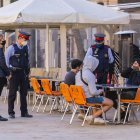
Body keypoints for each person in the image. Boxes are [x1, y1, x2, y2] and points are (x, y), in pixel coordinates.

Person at [76, 55, 113, 124]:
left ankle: (97, 118)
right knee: (110, 102)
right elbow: (93, 92)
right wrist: (100, 91)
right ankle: (92, 117)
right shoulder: (90, 75)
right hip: (88, 99)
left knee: (96, 99)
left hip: (80, 98)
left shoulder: (78, 73)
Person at [5, 31, 33, 118]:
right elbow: (7, 62)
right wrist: (8, 73)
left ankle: (24, 112)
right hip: (14, 73)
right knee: (12, 93)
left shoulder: (26, 48)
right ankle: (11, 112)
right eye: (25, 39)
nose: (26, 41)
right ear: (20, 39)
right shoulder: (11, 48)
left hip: (23, 73)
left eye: (26, 40)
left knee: (24, 93)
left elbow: (27, 60)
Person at [0, 34, 11, 121]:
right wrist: (8, 73)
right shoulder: (0, 50)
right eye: (3, 39)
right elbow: (2, 63)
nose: (4, 40)